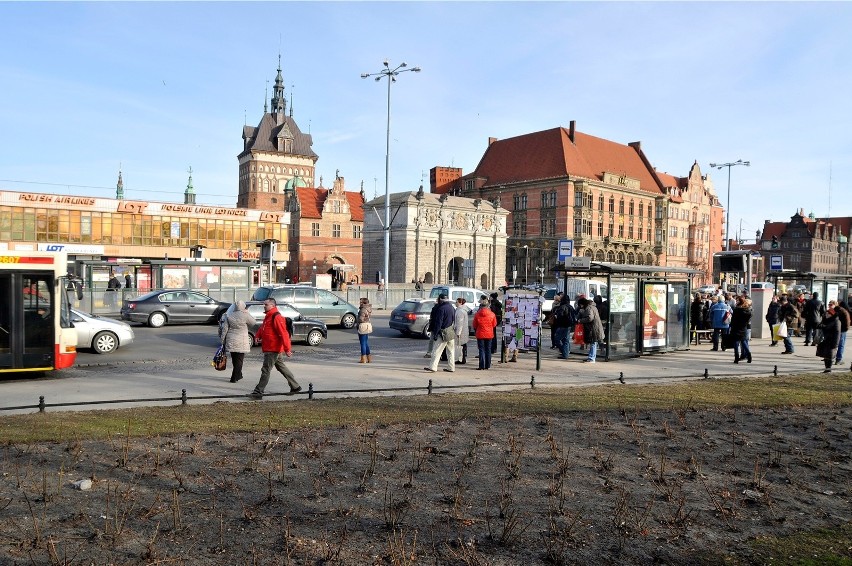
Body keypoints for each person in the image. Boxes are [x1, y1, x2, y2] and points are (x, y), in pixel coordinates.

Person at [248, 298, 302, 399]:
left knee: (266, 370)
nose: (264, 306)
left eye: (266, 304)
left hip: (273, 348)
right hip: (270, 347)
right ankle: (295, 386)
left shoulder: (277, 317)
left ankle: (258, 392)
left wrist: (287, 349)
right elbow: (262, 328)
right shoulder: (268, 316)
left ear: (272, 305)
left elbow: (283, 334)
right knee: (281, 367)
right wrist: (257, 336)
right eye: (264, 304)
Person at [220, 301, 255, 383]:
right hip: (241, 341)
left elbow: (225, 329)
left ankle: (239, 375)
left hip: (231, 340)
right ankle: (234, 377)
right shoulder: (245, 315)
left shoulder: (229, 315)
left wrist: (222, 341)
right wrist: (247, 312)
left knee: (235, 359)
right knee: (239, 360)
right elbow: (253, 322)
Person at [425, 294, 456, 373]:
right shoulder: (452, 308)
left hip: (442, 332)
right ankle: (451, 367)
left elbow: (439, 322)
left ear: (441, 299)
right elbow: (453, 319)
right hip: (450, 331)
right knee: (451, 351)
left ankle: (433, 367)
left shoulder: (441, 309)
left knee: (437, 350)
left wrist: (435, 333)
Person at [472, 295, 497, 370]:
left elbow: (474, 325)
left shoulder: (477, 314)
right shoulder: (492, 314)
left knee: (481, 349)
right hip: (489, 334)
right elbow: (494, 324)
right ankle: (487, 365)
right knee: (488, 349)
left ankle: (481, 365)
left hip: (480, 334)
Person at [576, 297, 604, 363]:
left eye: (580, 305)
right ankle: (591, 357)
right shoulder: (592, 307)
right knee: (593, 343)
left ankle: (592, 358)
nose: (580, 307)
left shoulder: (589, 308)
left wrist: (581, 320)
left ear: (582, 304)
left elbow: (590, 318)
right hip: (594, 327)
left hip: (593, 328)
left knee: (593, 343)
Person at [817, 304, 841, 373]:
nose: (826, 314)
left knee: (829, 355)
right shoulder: (828, 320)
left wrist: (835, 344)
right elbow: (822, 326)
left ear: (832, 314)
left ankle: (828, 369)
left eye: (828, 313)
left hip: (832, 340)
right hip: (827, 339)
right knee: (826, 355)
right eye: (826, 313)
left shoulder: (836, 321)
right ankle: (827, 369)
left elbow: (837, 333)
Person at [552, 295, 577, 360]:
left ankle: (564, 352)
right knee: (566, 340)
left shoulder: (562, 307)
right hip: (569, 325)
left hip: (562, 325)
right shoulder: (570, 307)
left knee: (557, 339)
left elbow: (559, 316)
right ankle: (565, 353)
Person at [730, 295, 753, 364]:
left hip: (736, 328)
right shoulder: (748, 311)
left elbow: (733, 320)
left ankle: (736, 358)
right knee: (744, 342)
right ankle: (749, 356)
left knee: (736, 343)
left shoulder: (736, 310)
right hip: (744, 328)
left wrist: (731, 326)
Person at [454, 298, 470, 365]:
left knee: (460, 346)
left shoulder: (460, 311)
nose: (455, 303)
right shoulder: (463, 310)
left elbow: (459, 323)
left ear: (460, 303)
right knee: (463, 345)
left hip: (461, 331)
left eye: (456, 302)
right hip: (464, 330)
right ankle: (462, 358)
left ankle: (461, 359)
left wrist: (458, 332)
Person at [357, 297, 372, 363]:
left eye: (360, 302)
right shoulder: (368, 308)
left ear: (363, 303)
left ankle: (363, 359)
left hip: (362, 326)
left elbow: (361, 319)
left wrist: (357, 320)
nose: (359, 303)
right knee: (365, 342)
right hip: (367, 325)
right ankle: (369, 358)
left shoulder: (363, 309)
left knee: (362, 343)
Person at [834, 301, 850, 366]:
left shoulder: (835, 310)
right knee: (841, 345)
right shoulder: (845, 312)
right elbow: (847, 322)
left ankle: (830, 357)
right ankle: (838, 359)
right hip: (842, 330)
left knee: (834, 344)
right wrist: (846, 329)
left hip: (835, 329)